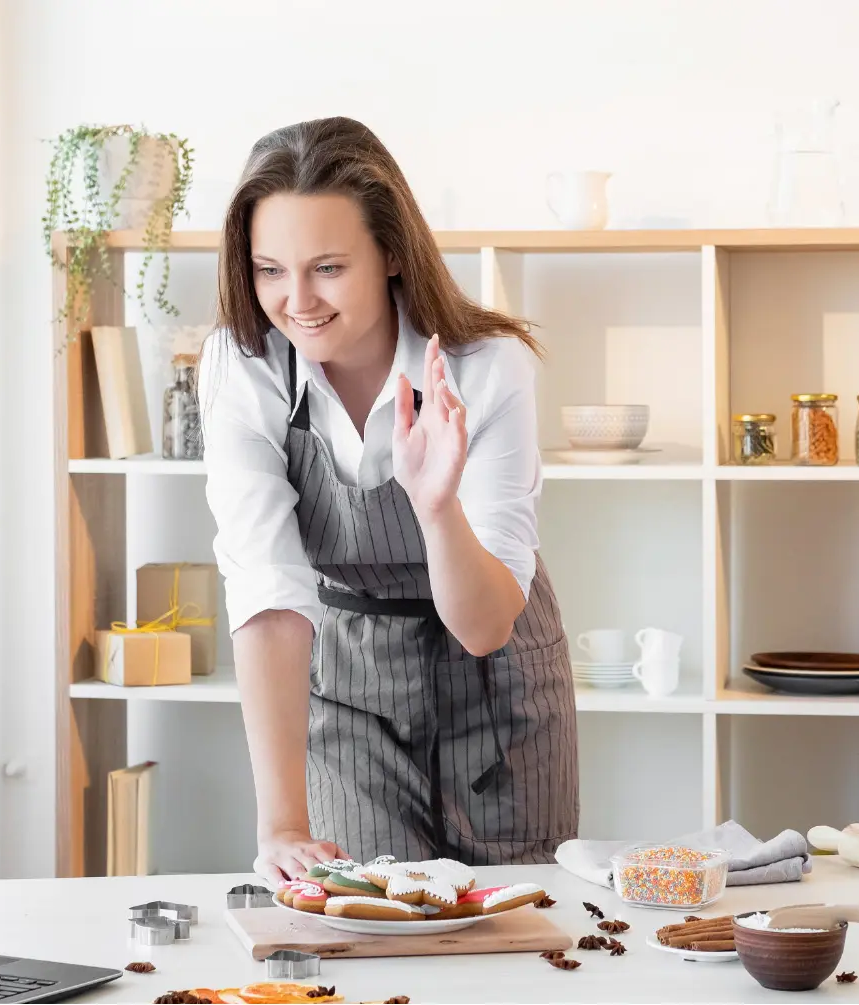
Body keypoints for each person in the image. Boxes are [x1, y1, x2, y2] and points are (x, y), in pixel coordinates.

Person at [199, 116, 577, 887]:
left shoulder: (487, 366)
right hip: (348, 685)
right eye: (270, 269)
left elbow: (483, 625)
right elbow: (267, 587)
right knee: (365, 925)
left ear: (394, 252)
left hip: (499, 681)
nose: (295, 301)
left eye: (327, 267)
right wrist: (280, 823)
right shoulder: (245, 365)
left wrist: (436, 506)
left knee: (507, 938)